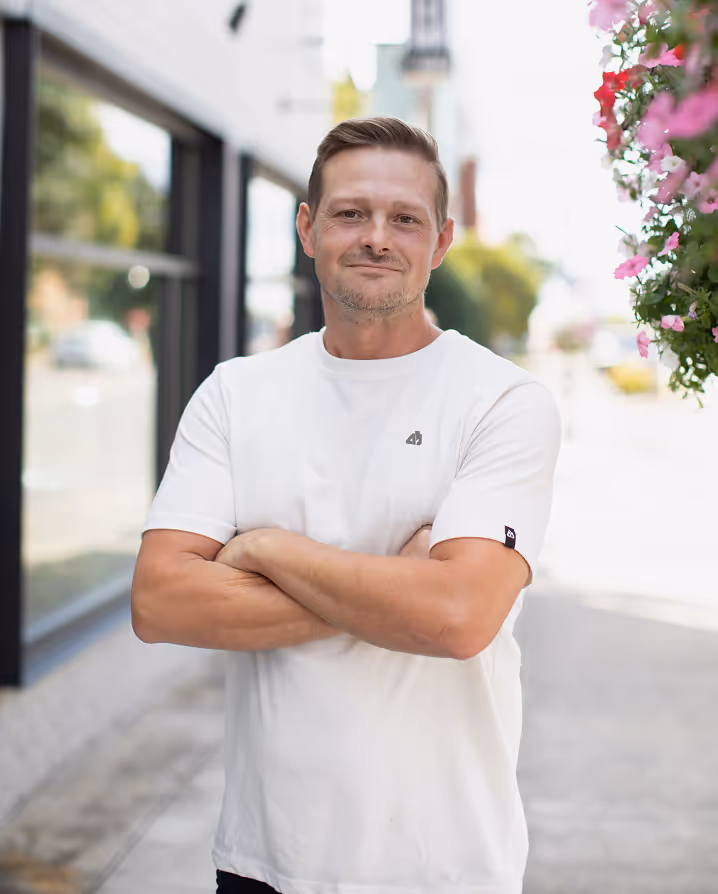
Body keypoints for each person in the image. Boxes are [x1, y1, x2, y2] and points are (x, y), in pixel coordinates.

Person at [131, 116, 561, 894]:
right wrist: (397, 586)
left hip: (442, 864)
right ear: (308, 227)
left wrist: (267, 552)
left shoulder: (502, 400)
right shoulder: (236, 394)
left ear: (441, 241)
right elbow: (160, 602)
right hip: (264, 859)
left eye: (405, 219)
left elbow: (459, 618)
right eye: (350, 213)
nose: (376, 238)